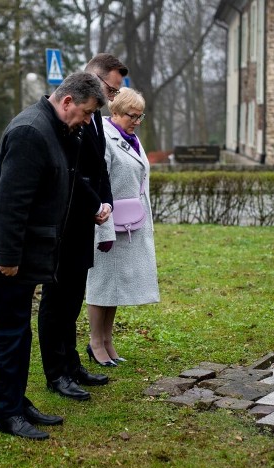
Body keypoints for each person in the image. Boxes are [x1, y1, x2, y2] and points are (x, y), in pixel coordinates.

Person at [0, 72, 106, 440]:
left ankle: (15, 400)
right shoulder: (31, 131)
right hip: (9, 257)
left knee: (18, 331)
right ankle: (7, 414)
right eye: (87, 113)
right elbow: (11, 203)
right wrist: (8, 257)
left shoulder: (56, 129)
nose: (88, 121)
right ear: (67, 102)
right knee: (8, 332)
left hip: (26, 252)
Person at [37, 54, 129, 401]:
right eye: (110, 88)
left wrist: (106, 202)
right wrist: (94, 203)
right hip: (64, 221)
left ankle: (72, 365)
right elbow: (70, 171)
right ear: (91, 78)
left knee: (73, 298)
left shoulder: (93, 119)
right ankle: (56, 373)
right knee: (56, 301)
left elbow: (98, 168)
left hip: (85, 223)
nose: (113, 98)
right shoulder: (68, 115)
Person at [86, 88, 159, 366]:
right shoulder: (104, 139)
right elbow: (98, 184)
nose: (136, 121)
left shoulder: (131, 138)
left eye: (140, 117)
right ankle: (95, 343)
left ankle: (107, 341)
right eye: (132, 115)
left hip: (129, 224)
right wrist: (102, 226)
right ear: (115, 112)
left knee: (116, 287)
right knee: (102, 285)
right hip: (107, 223)